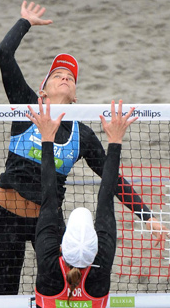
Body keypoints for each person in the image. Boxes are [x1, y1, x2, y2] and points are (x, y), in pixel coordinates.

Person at [0, 1, 170, 295]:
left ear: (75, 97)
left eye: (71, 78)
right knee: (1, 297)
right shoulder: (27, 106)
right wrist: (24, 22)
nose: (65, 77)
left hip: (46, 222)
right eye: (57, 75)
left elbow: (112, 180)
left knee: (62, 291)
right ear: (43, 90)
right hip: (5, 217)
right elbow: (3, 54)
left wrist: (147, 216)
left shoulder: (82, 135)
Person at [28, 98, 136, 307]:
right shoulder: (99, 269)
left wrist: (47, 138)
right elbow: (105, 200)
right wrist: (115, 142)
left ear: (61, 246)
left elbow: (50, 198)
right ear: (95, 250)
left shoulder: (51, 265)